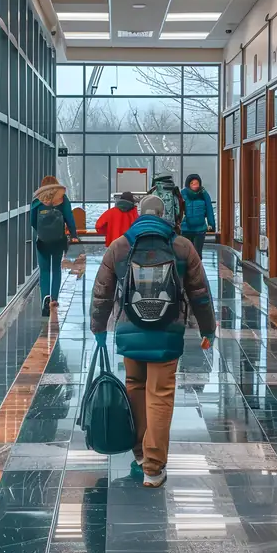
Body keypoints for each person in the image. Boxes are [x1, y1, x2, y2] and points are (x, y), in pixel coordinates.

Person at [90, 193, 216, 488]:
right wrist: (208, 329)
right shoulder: (182, 246)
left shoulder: (120, 246)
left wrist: (98, 326)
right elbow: (200, 293)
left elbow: (102, 292)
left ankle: (138, 456)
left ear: (139, 214)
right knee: (160, 394)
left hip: (129, 330)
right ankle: (153, 467)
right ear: (164, 215)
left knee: (135, 386)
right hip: (168, 332)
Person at [31, 175, 78, 317]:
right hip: (58, 239)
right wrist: (74, 234)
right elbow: (69, 218)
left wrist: (41, 232)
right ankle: (54, 300)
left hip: (42, 241)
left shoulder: (37, 201)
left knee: (44, 270)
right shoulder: (63, 199)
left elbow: (32, 221)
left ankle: (45, 298)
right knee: (56, 269)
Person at [181, 172, 215, 258]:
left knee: (197, 254)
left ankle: (197, 270)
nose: (194, 185)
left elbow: (209, 209)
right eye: (192, 183)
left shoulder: (204, 194)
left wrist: (211, 224)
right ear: (188, 184)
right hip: (186, 229)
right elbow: (177, 210)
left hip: (200, 229)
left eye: (196, 183)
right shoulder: (182, 194)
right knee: (185, 253)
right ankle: (186, 270)